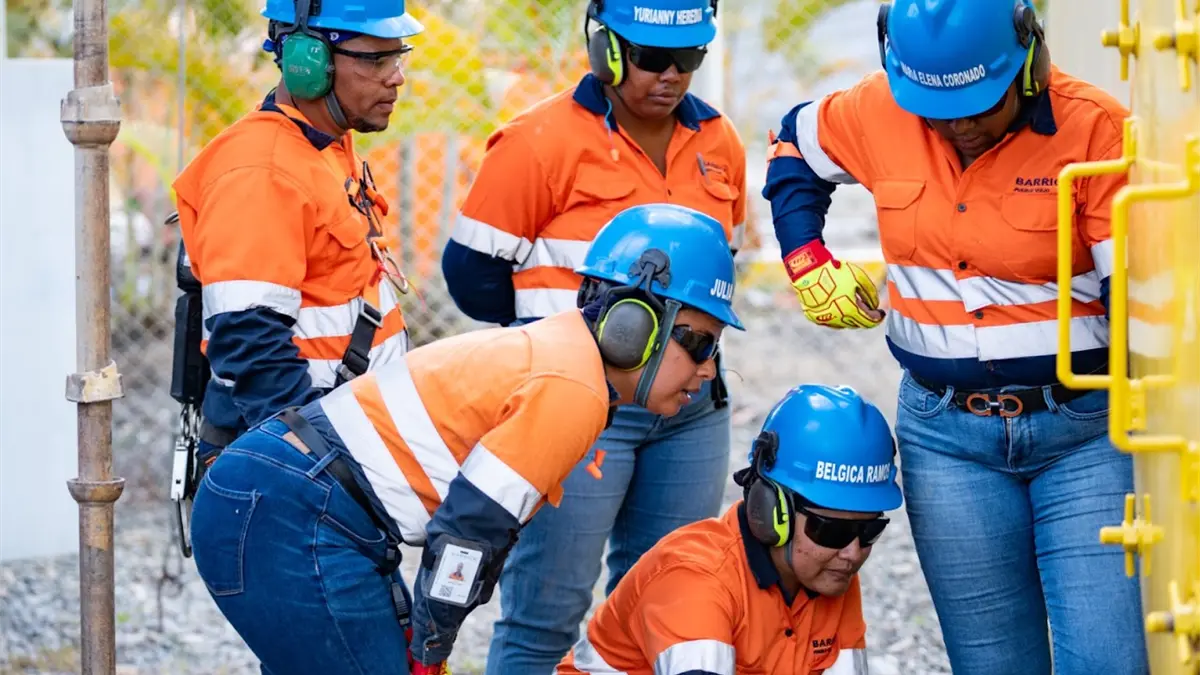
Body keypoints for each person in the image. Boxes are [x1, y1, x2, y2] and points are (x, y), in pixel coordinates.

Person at [187, 203, 746, 675]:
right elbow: (472, 531)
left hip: (295, 504)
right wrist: (432, 650)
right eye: (698, 343)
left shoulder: (563, 359)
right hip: (293, 513)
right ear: (633, 328)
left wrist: (431, 640)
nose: (707, 368)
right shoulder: (572, 387)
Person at [761, 1, 1146, 673]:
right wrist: (805, 259)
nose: (958, 125)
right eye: (937, 110)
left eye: (978, 105)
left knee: (1108, 660)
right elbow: (793, 143)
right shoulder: (881, 108)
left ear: (1028, 62)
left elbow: (1131, 304)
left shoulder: (1095, 130)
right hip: (947, 443)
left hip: (1082, 436)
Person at [439, 1, 747, 670]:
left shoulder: (721, 143)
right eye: (651, 58)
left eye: (688, 59)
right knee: (545, 615)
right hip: (581, 413)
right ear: (607, 49)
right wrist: (566, 345)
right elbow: (471, 276)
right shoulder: (538, 141)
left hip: (689, 415)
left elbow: (723, 270)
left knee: (668, 610)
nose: (671, 75)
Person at [170, 0, 423, 478]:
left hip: (335, 440)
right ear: (309, 61)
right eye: (376, 59)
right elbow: (250, 344)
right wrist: (320, 469)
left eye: (399, 56)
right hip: (295, 464)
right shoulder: (260, 171)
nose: (396, 77)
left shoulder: (322, 144)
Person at [556, 384, 902, 675]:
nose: (853, 552)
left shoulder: (828, 570)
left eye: (870, 530)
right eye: (831, 531)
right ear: (771, 510)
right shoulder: (695, 579)